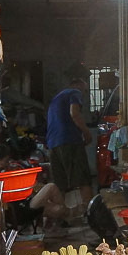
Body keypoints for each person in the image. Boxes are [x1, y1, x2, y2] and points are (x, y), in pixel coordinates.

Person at [46, 72, 95, 209]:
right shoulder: (75, 92)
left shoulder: (56, 98)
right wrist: (87, 133)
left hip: (53, 143)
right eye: (84, 90)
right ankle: (91, 213)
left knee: (60, 183)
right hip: (69, 141)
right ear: (78, 85)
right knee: (83, 179)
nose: (84, 93)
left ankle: (60, 217)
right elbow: (74, 113)